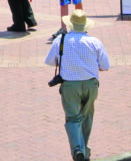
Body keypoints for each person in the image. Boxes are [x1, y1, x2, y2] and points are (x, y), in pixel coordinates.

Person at [44, 10, 110, 161]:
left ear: (70, 24)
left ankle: (78, 150)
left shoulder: (61, 40)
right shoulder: (95, 42)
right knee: (87, 117)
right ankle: (83, 151)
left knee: (73, 118)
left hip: (70, 85)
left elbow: (50, 61)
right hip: (91, 84)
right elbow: (105, 66)